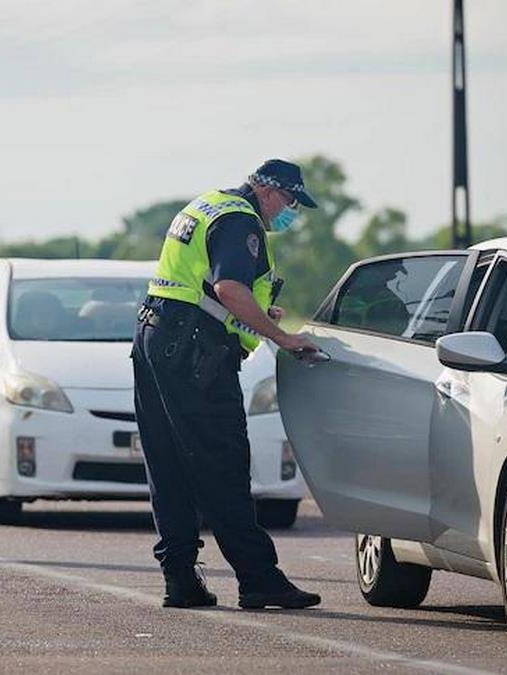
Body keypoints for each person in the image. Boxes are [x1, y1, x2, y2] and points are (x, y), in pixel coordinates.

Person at [133, 159, 323, 610]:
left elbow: (206, 288)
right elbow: (229, 289)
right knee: (223, 462)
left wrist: (260, 316)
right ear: (268, 190)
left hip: (157, 337)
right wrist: (283, 337)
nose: (290, 212)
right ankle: (259, 578)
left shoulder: (209, 205)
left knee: (169, 462)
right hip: (193, 350)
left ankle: (180, 578)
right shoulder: (242, 219)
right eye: (290, 201)